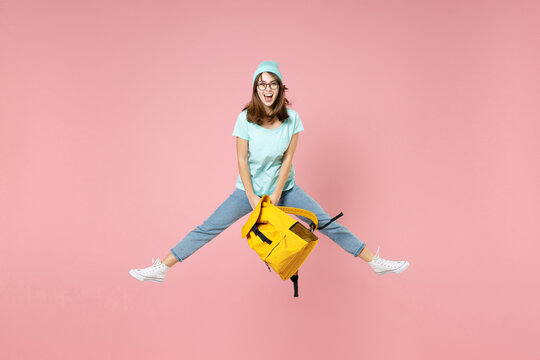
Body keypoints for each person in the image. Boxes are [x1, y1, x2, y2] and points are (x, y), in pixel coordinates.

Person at [129, 60, 410, 283]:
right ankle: (162, 268)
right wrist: (252, 196)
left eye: (272, 83)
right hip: (247, 192)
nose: (267, 88)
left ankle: (375, 263)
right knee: (208, 228)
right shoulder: (245, 120)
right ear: (256, 88)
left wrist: (276, 193)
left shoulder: (292, 120)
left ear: (279, 88)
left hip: (285, 190)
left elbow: (288, 159)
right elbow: (241, 159)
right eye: (262, 84)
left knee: (324, 222)